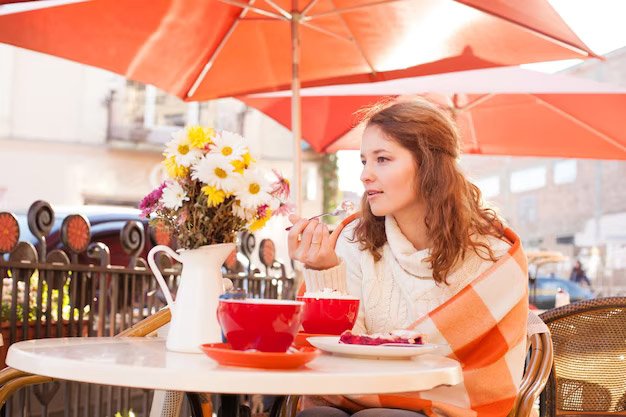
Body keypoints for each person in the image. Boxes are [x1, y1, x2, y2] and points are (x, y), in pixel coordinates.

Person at [288, 99, 529, 417]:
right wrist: (324, 271)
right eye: (363, 161)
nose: (365, 176)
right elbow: (339, 352)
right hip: (353, 396)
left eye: (382, 159)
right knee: (318, 415)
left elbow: (474, 369)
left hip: (449, 402)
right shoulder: (352, 239)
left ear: (429, 166)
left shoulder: (490, 254)